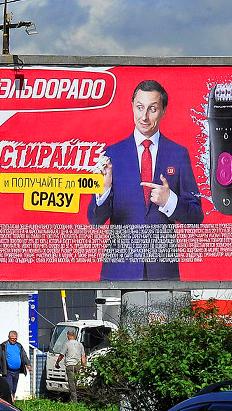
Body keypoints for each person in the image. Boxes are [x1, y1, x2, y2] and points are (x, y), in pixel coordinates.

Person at [87, 79, 204, 282]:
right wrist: (104, 190)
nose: (144, 117)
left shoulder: (178, 154)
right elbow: (95, 220)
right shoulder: (112, 154)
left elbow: (196, 216)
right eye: (140, 108)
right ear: (132, 107)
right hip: (119, 273)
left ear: (164, 111)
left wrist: (170, 201)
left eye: (152, 109)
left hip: (163, 273)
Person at [0, 330, 29, 400]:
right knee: (9, 386)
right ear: (9, 338)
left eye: (15, 339)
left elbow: (24, 355)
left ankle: (12, 398)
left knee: (14, 386)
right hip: (7, 370)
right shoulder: (3, 346)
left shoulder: (19, 346)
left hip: (17, 371)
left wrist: (28, 364)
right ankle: (11, 400)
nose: (14, 340)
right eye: (12, 338)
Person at [55, 329, 87, 403]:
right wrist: (84, 367)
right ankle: (78, 399)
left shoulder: (67, 344)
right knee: (76, 383)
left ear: (68, 336)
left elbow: (61, 355)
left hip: (70, 366)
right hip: (78, 366)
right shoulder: (80, 344)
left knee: (71, 384)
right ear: (74, 336)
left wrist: (57, 363)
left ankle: (74, 401)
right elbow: (83, 357)